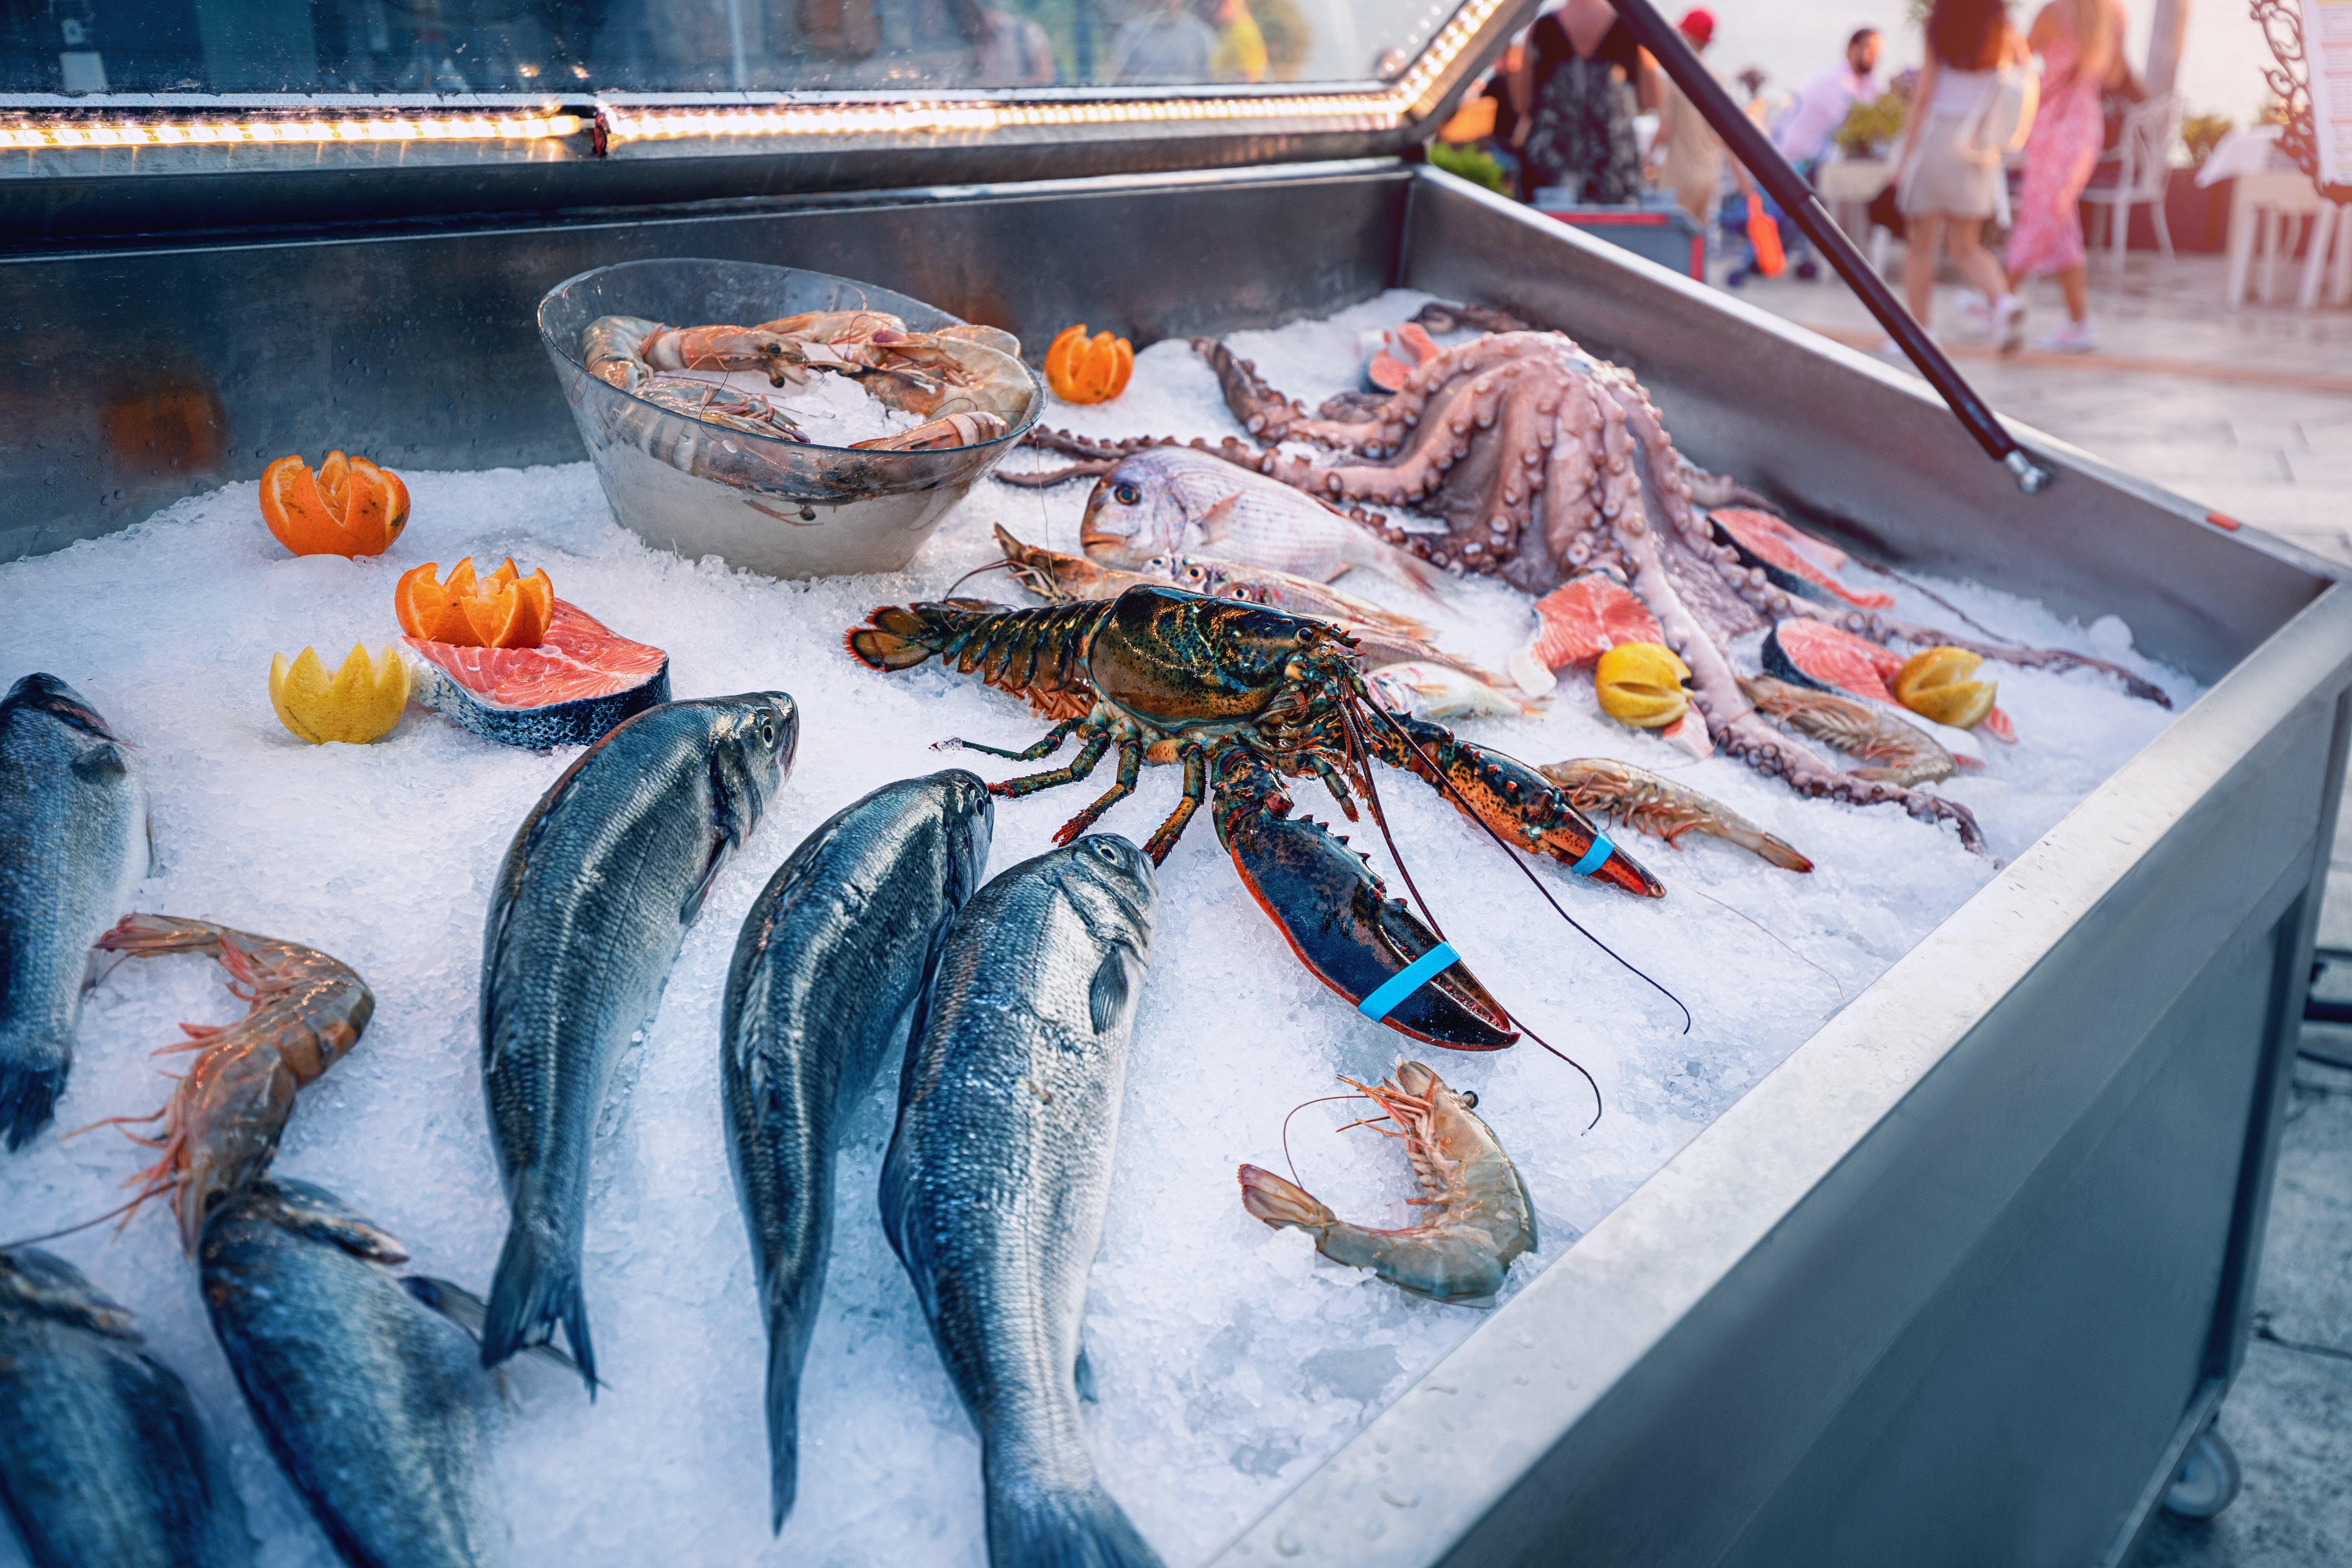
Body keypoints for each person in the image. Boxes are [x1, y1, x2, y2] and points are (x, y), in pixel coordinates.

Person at [1890, 0, 2027, 350]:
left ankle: (1921, 333)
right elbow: (2025, 79)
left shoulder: (1939, 29)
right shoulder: (2005, 31)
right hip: (1980, 148)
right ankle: (2002, 301)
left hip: (1939, 141)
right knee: (1965, 248)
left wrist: (1901, 164)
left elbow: (1923, 98)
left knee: (1920, 247)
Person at [2002, 0, 2129, 351]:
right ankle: (2079, 322)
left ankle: (1999, 296)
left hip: (2051, 121)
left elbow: (2019, 62)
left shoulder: (2054, 12)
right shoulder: (2114, 15)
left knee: (2042, 213)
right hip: (2085, 125)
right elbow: (2115, 75)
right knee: (2061, 222)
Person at [1508, 0, 1661, 206]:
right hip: (1613, 166)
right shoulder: (1629, 27)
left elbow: (1522, 104)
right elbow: (1651, 100)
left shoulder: (1543, 27)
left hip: (1552, 165)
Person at [1770, 27, 1883, 278]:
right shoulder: (1836, 81)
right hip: (1797, 161)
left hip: (1819, 162)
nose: (1875, 57)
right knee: (1856, 187)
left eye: (1878, 52)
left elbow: (1874, 114)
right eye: (1870, 50)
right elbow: (1856, 128)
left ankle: (1847, 255)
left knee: (1860, 183)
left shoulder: (1861, 81)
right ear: (1852, 50)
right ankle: (1838, 258)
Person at [1649, 8, 1755, 224]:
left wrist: (1645, 161)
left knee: (1671, 243)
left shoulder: (1674, 77)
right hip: (1709, 177)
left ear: (1687, 36)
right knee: (1698, 248)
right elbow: (1728, 136)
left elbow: (1665, 130)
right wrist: (1741, 178)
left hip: (1679, 177)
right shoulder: (1718, 79)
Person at [1110, 0, 1217, 84]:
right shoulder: (1131, 33)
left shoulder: (1200, 33)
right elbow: (1118, 79)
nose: (1164, 2)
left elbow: (1212, 79)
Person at [959, 0, 1057, 87]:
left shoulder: (1025, 31)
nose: (969, 27)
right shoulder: (969, 42)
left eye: (971, 15)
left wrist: (1008, 88)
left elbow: (1046, 78)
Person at [1204, 0, 1268, 83]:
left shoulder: (1243, 32)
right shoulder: (1228, 30)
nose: (1214, 9)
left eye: (1219, 4)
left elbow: (1248, 76)